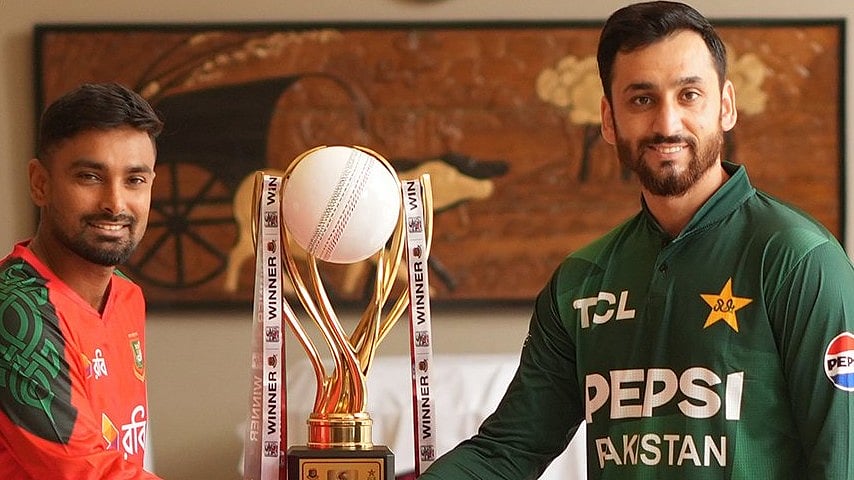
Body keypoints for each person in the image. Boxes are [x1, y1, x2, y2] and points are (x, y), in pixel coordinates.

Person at [420, 2, 854, 479]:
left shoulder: (800, 260)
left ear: (725, 106)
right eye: (642, 100)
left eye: (689, 95)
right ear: (609, 119)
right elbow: (505, 454)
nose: (667, 124)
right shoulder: (580, 281)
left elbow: (842, 461)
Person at [0, 82, 164, 479]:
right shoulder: (17, 312)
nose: (115, 203)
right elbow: (87, 473)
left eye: (135, 180)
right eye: (90, 176)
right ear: (41, 183)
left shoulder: (125, 295)